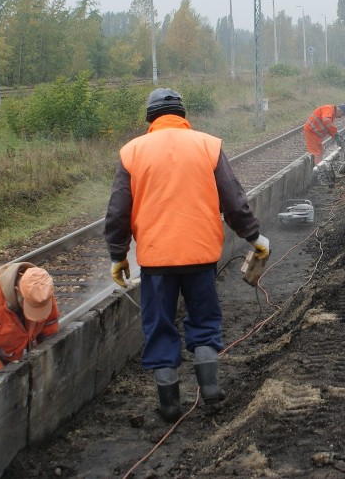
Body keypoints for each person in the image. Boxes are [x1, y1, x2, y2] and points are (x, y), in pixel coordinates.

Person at [104, 87, 270, 423]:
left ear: (150, 118)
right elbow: (233, 201)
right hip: (200, 254)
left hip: (155, 261)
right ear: (183, 115)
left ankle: (168, 405)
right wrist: (254, 237)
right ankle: (209, 388)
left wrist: (118, 255)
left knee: (160, 326)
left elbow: (118, 212)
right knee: (204, 318)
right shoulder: (208, 145)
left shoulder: (132, 152)